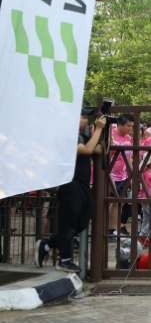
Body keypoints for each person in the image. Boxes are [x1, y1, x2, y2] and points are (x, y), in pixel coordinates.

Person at [36, 109, 105, 273]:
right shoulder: (68, 138)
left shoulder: (85, 138)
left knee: (83, 219)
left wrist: (106, 131)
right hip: (70, 185)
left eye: (86, 117)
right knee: (68, 222)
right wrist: (100, 128)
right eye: (82, 117)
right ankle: (65, 260)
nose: (86, 120)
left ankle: (48, 244)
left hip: (83, 186)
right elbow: (87, 150)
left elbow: (100, 150)